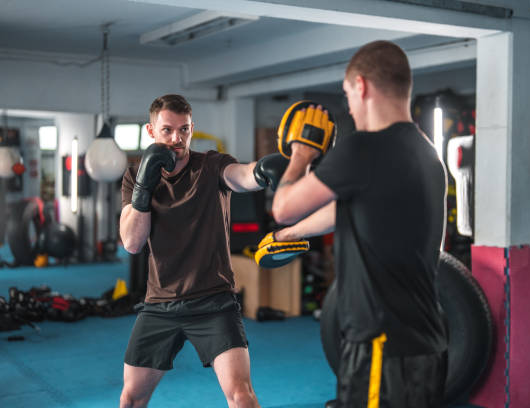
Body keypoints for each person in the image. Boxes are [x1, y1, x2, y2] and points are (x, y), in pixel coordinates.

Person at [272, 40, 449, 407]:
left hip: (379, 347)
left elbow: (283, 206)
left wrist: (299, 156)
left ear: (362, 86)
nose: (349, 108)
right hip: (426, 342)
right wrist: (293, 234)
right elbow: (351, 209)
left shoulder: (362, 149)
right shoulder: (427, 154)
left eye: (347, 94)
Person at [119, 94, 285, 408]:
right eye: (167, 130)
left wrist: (262, 171)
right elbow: (132, 242)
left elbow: (241, 176)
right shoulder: (134, 176)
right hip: (160, 304)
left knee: (241, 395)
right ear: (151, 131)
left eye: (184, 130)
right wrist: (144, 187)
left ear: (192, 128)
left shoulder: (211, 165)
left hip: (213, 300)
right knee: (130, 398)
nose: (176, 138)